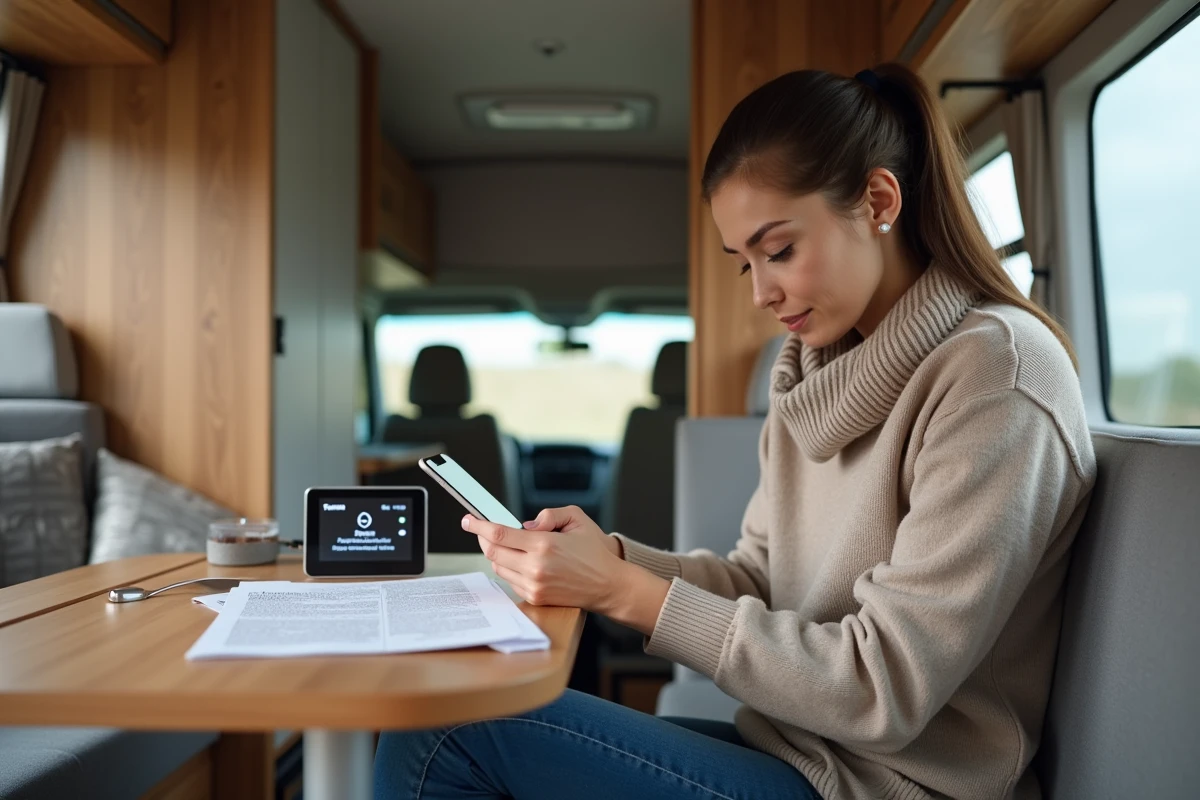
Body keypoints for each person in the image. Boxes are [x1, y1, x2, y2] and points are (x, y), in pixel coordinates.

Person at [375, 62, 1095, 800]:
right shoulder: (815, 373)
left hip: (893, 786)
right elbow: (758, 579)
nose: (760, 292)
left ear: (878, 200)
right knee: (442, 708)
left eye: (778, 250)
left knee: (445, 731)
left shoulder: (995, 375)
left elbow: (883, 689)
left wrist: (622, 590)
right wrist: (611, 560)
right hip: (801, 754)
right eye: (744, 262)